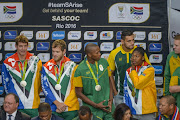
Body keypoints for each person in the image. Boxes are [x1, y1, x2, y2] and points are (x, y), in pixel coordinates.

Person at [2, 35, 42, 117]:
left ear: (27, 46)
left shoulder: (36, 61)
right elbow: (5, 84)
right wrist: (12, 101)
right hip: (16, 106)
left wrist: (34, 95)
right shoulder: (7, 62)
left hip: (33, 105)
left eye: (25, 46)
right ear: (16, 46)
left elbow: (40, 82)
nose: (23, 49)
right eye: (20, 46)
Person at [107, 30, 151, 106]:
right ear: (122, 41)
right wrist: (115, 92)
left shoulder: (139, 52)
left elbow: (148, 70)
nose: (132, 43)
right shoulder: (114, 53)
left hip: (137, 94)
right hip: (120, 94)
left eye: (133, 40)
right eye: (129, 41)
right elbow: (110, 74)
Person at [74, 43, 114, 120]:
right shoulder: (79, 69)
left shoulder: (104, 62)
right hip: (92, 109)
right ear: (89, 55)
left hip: (108, 106)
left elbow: (109, 81)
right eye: (97, 53)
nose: (100, 54)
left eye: (99, 52)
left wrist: (111, 100)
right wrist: (95, 105)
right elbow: (78, 93)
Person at [41, 39, 79, 120]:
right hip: (53, 108)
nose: (54, 54)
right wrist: (57, 104)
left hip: (70, 109)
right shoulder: (46, 67)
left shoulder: (73, 66)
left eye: (57, 52)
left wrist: (65, 104)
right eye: (53, 51)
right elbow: (45, 88)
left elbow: (75, 88)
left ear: (64, 51)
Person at [124, 47, 157, 120]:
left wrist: (132, 70)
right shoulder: (128, 71)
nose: (134, 58)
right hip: (133, 111)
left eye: (137, 56)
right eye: (132, 56)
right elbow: (126, 90)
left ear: (142, 58)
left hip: (147, 111)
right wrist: (126, 108)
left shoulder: (149, 70)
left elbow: (138, 84)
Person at [164, 34, 180, 109]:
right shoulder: (171, 56)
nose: (174, 47)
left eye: (176, 45)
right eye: (174, 45)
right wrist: (167, 96)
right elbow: (167, 76)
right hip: (174, 97)